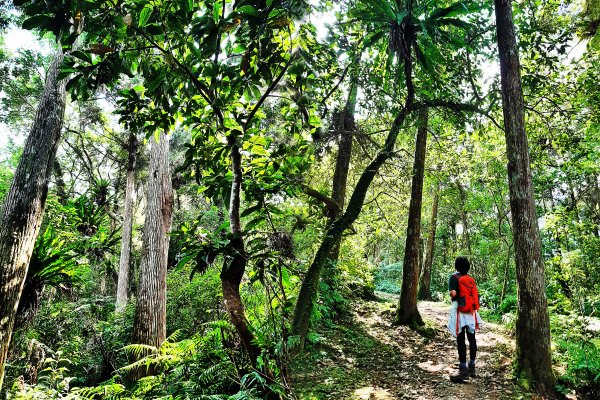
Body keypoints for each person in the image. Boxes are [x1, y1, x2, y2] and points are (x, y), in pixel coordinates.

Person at [447, 256, 483, 383]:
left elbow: (453, 294)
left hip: (459, 310)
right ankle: (472, 368)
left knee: (460, 338)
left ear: (456, 266)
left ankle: (463, 370)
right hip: (471, 311)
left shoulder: (453, 277)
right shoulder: (470, 279)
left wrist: (452, 292)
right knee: (472, 338)